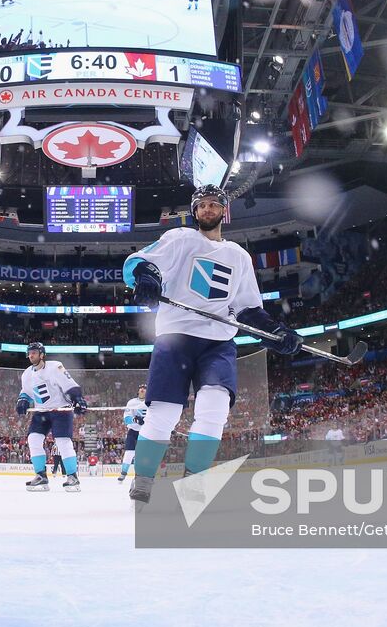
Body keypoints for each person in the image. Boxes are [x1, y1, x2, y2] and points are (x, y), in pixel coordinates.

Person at [121, 185, 301, 505]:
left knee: (215, 408)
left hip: (218, 343)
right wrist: (147, 279)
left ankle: (194, 482)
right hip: (175, 337)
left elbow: (248, 309)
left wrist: (277, 333)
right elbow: (142, 262)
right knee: (164, 412)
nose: (207, 209)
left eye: (214, 204)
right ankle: (144, 478)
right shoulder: (180, 239)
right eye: (201, 205)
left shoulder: (239, 256)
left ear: (223, 211)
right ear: (194, 211)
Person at [15, 341, 87, 492]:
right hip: (41, 411)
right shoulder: (27, 374)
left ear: (42, 354)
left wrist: (77, 399)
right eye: (29, 353)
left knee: (62, 441)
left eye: (34, 352)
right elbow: (26, 392)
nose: (31, 355)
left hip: (60, 409)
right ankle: (41, 476)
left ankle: (73, 477)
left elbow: (69, 384)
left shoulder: (55, 367)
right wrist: (22, 401)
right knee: (33, 439)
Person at [118, 383, 147, 482]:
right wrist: (135, 420)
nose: (142, 389)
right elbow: (126, 419)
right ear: (138, 391)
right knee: (129, 453)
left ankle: (140, 475)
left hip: (145, 432)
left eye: (144, 388)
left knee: (143, 455)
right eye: (141, 388)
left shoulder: (150, 403)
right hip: (133, 432)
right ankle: (123, 473)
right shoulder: (131, 402)